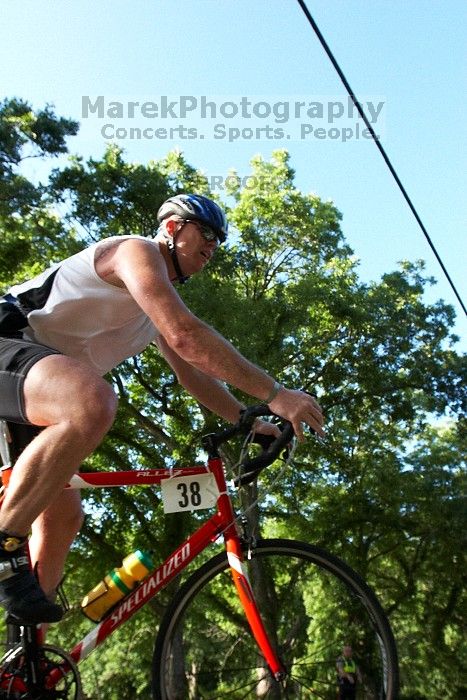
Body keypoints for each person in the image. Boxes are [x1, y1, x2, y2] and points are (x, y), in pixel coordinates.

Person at [0, 194, 324, 624]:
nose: (213, 246)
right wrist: (277, 393)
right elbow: (187, 336)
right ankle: (3, 548)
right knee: (92, 401)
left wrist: (246, 420)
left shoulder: (150, 306)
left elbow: (191, 371)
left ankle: (25, 653)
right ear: (171, 227)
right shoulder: (135, 252)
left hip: (38, 386)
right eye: (205, 232)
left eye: (219, 240)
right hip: (11, 344)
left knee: (62, 515)